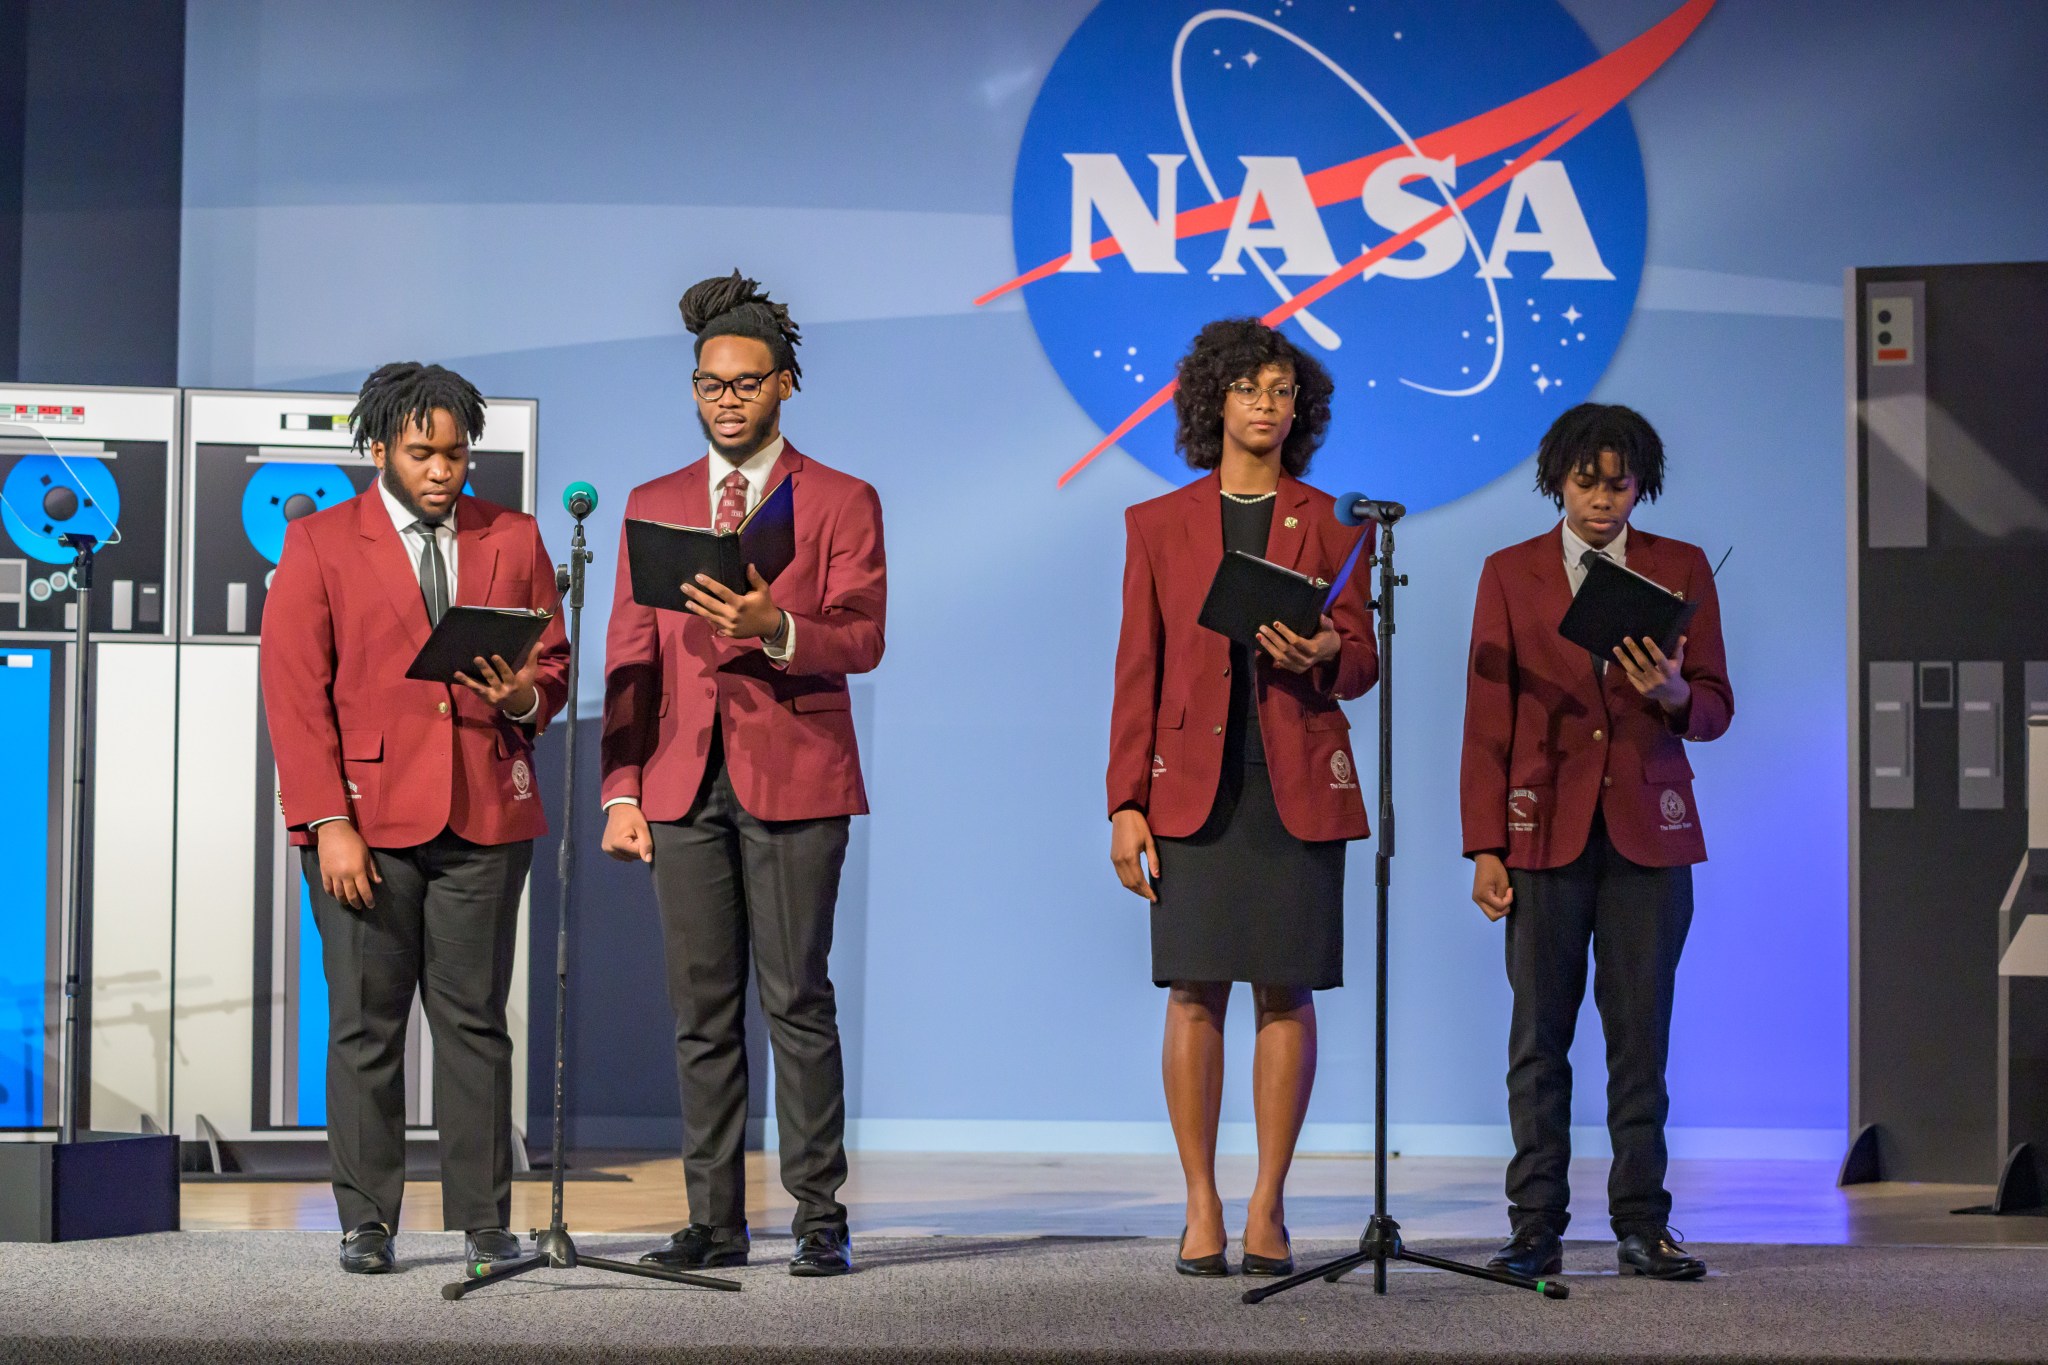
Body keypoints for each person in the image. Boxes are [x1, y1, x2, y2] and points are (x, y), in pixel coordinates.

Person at [599, 271, 885, 1277]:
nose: (727, 398)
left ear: (784, 386)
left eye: (747, 382)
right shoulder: (654, 502)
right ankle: (713, 1221)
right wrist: (621, 790)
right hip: (681, 784)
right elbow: (627, 663)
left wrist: (778, 629)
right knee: (700, 1009)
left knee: (795, 998)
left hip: (795, 773)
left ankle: (817, 1216)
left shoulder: (841, 499)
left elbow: (862, 639)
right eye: (710, 384)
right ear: (692, 388)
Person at [260, 362, 570, 1275]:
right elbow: (294, 696)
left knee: (474, 1021)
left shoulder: (513, 536)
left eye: (457, 453)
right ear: (379, 448)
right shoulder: (319, 542)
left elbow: (551, 666)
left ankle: (485, 1220)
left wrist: (524, 696)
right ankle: (367, 1220)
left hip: (484, 814)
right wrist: (326, 822)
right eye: (423, 451)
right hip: (365, 824)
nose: (443, 469)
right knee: (365, 1025)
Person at [1106, 318, 1377, 1278]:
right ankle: (1201, 1203)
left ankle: (1267, 1203)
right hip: (1190, 790)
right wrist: (1123, 803)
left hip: (1295, 776)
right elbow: (1137, 670)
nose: (1268, 404)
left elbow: (1363, 655)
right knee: (1192, 990)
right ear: (1212, 400)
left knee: (1286, 990)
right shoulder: (1157, 523)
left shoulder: (1336, 518)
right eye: (1250, 387)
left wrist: (1329, 652)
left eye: (1283, 390)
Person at [1460, 402, 1733, 1283]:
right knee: (1538, 1036)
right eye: (1588, 480)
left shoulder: (1680, 567)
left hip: (1650, 835)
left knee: (1640, 1036)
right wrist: (1485, 846)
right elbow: (1486, 721)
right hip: (1542, 832)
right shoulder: (1510, 572)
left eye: (1621, 482)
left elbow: (1716, 705)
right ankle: (1535, 1223)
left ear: (1641, 484)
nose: (1605, 498)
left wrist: (1672, 694)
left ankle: (1641, 1225)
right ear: (1558, 480)